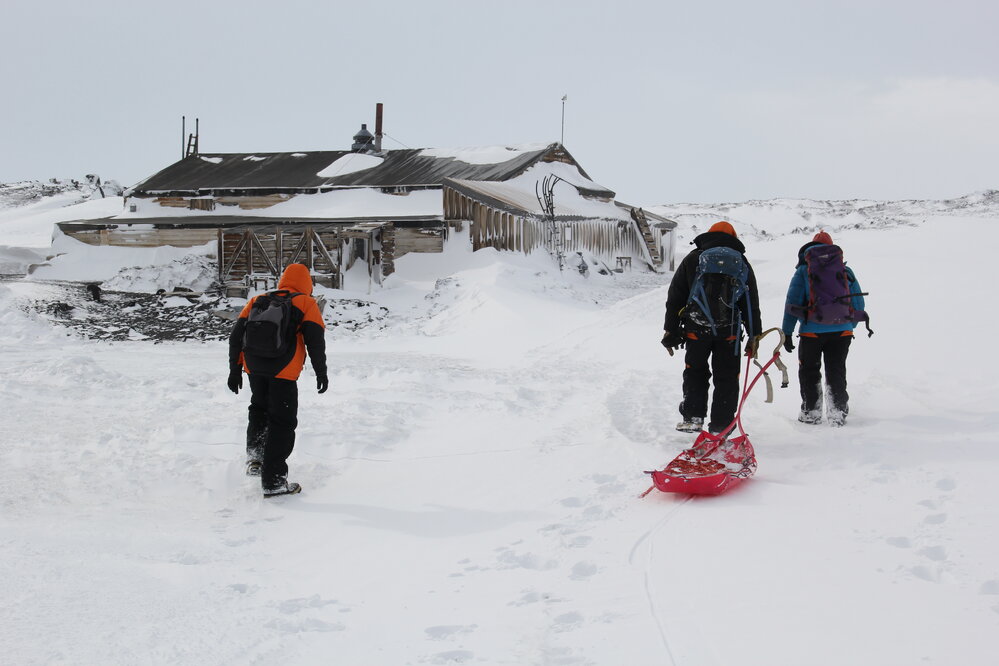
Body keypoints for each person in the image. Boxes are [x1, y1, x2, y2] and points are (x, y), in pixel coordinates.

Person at [227, 263, 328, 496]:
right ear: (307, 283)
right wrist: (321, 372)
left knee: (259, 410)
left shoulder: (258, 300)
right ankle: (273, 481)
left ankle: (255, 460)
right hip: (284, 371)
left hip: (254, 369)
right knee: (282, 422)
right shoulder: (306, 302)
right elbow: (315, 341)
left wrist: (235, 369)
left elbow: (236, 336)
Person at [662, 221, 762, 434]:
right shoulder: (741, 261)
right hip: (729, 333)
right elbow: (751, 302)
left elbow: (675, 296)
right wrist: (754, 336)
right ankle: (721, 425)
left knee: (695, 371)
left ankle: (693, 417)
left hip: (696, 330)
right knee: (727, 377)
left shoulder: (693, 258)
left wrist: (670, 330)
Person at [781, 231, 867, 427]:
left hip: (811, 332)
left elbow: (792, 303)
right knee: (836, 369)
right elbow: (858, 302)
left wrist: (787, 332)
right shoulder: (846, 271)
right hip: (842, 332)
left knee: (809, 370)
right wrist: (848, 324)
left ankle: (811, 411)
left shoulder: (804, 270)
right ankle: (837, 411)